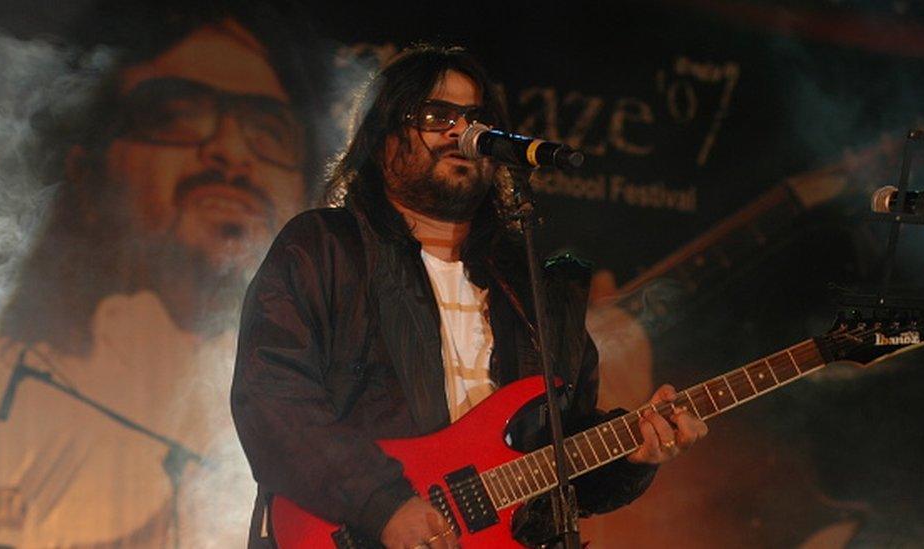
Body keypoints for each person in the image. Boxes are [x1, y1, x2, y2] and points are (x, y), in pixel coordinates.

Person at [232, 44, 708, 549]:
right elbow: (271, 397)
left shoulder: (531, 287)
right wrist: (381, 504)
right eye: (438, 115)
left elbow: (563, 472)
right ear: (382, 137)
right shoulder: (324, 247)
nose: (463, 132)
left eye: (477, 118)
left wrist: (632, 456)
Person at [0, 2, 318, 546]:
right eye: (177, 117)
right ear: (87, 174)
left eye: (269, 131)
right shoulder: (4, 396)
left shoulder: (327, 391)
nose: (230, 154)